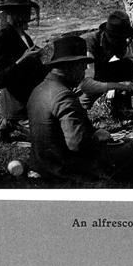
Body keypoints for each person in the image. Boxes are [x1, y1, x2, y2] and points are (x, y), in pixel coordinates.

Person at [27, 36, 114, 180]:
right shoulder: (63, 95)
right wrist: (97, 138)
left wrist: (93, 131)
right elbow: (77, 144)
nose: (85, 69)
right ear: (70, 66)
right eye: (82, 65)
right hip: (63, 168)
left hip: (42, 163)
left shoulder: (39, 88)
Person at [0, 0, 47, 142]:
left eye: (27, 9)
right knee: (46, 138)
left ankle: (12, 122)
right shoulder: (1, 39)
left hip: (33, 101)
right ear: (11, 12)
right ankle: (11, 121)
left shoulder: (24, 37)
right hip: (18, 105)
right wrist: (23, 60)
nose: (27, 14)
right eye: (22, 10)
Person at [78, 11, 133, 113]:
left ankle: (120, 105)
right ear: (110, 35)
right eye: (120, 37)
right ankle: (81, 106)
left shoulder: (121, 43)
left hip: (98, 72)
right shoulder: (89, 44)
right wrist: (119, 85)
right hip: (78, 80)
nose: (123, 41)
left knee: (127, 65)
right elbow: (86, 85)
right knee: (85, 94)